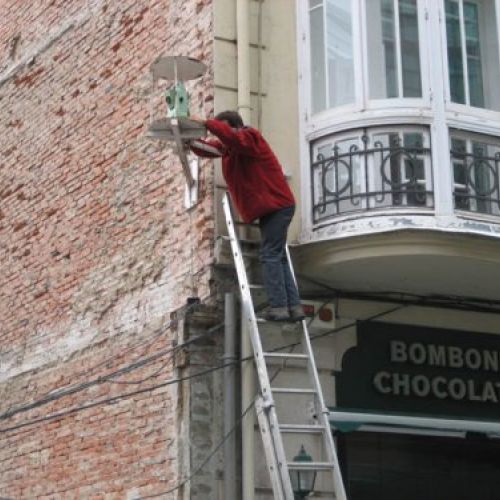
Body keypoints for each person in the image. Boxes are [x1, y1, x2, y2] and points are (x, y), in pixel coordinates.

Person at [189, 110, 305, 322]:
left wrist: (206, 122)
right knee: (277, 257)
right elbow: (207, 148)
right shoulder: (229, 149)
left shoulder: (250, 137)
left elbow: (231, 138)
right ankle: (293, 307)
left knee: (270, 255)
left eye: (222, 129)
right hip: (272, 208)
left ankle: (279, 307)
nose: (220, 136)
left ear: (233, 126)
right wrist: (187, 141)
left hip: (277, 206)